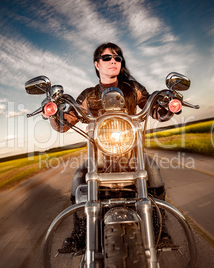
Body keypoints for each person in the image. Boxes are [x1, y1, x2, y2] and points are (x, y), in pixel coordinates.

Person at [50, 43, 175, 254]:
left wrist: (168, 105)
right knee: (79, 176)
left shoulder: (133, 89)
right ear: (97, 64)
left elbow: (154, 109)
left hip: (131, 154)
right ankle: (79, 233)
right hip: (99, 157)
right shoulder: (88, 96)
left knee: (152, 170)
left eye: (117, 58)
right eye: (107, 58)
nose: (113, 61)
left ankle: (160, 230)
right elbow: (65, 122)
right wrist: (54, 113)